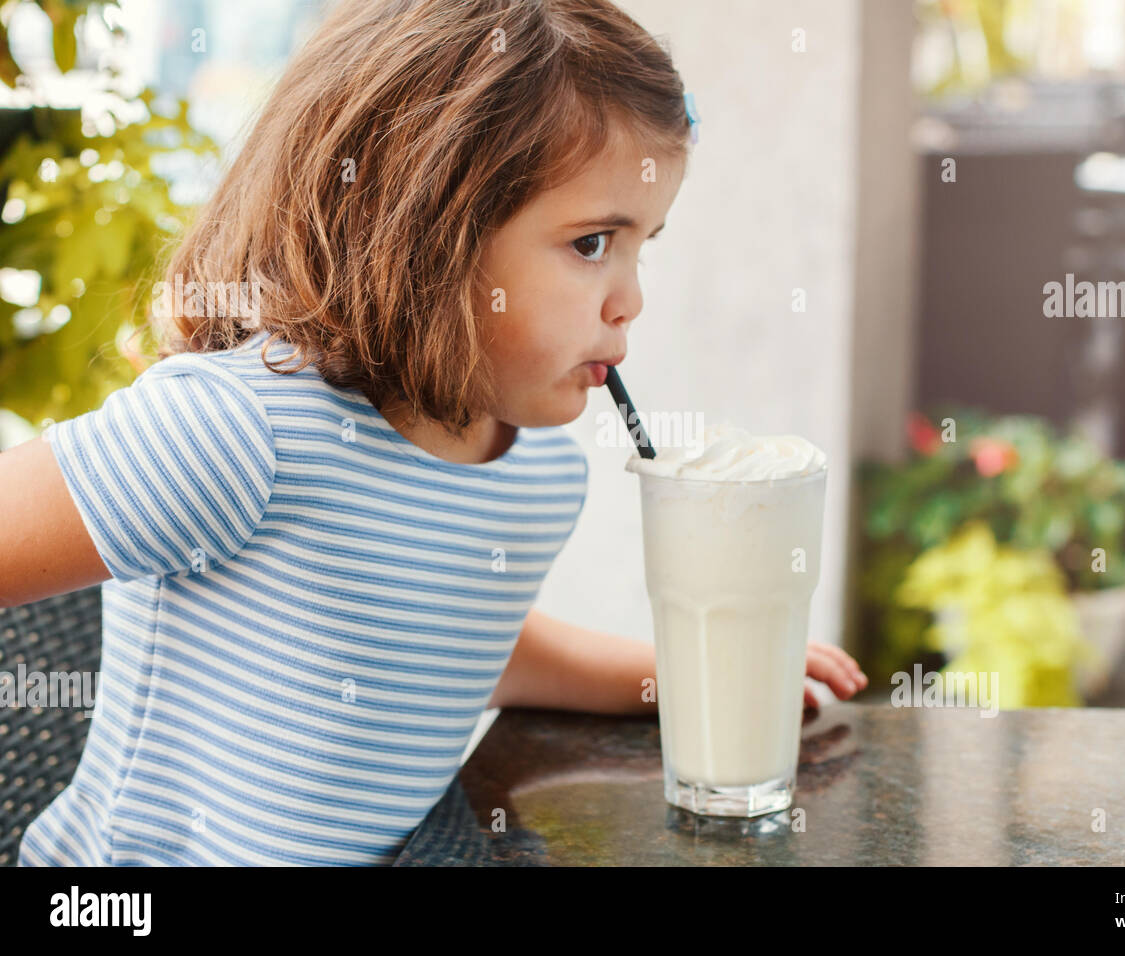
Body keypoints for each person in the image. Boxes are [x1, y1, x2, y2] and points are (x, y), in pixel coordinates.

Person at [1, 0, 867, 866]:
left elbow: (448, 651)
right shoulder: (234, 433)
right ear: (424, 231)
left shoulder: (537, 477)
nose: (630, 300)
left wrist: (685, 677)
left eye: (645, 245)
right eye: (593, 241)